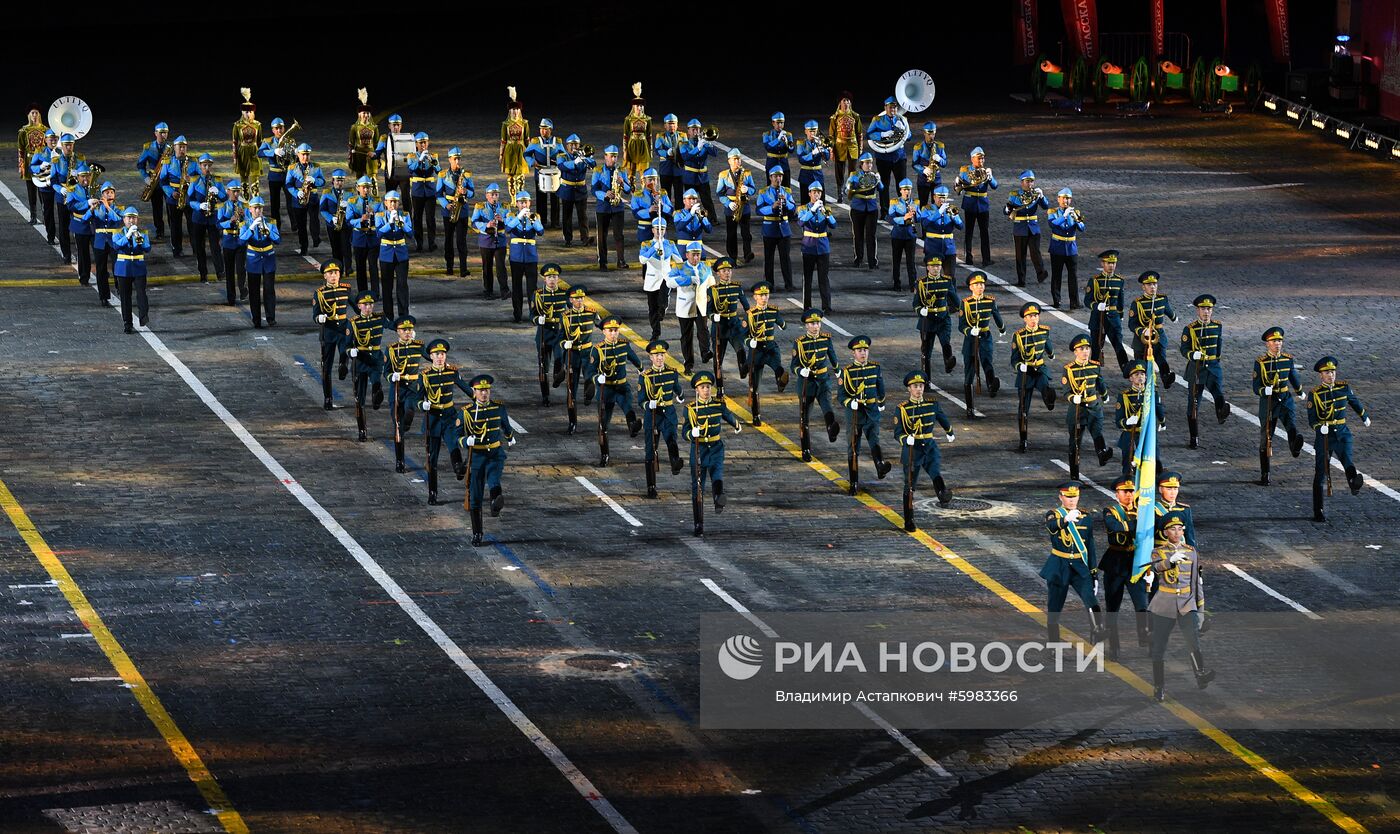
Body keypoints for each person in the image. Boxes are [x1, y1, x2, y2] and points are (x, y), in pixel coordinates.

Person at [1148, 516, 1214, 701]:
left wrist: (1200, 610)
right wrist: (1171, 561)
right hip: (1164, 604)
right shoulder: (1158, 551)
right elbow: (1156, 568)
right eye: (1173, 529)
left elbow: (1196, 583)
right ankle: (1158, 687)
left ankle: (1200, 675)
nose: (1177, 533)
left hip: (1187, 603)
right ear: (1165, 532)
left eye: (1179, 529)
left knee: (1193, 642)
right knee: (1159, 647)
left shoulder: (1191, 552)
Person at [1307, 356, 1369, 522]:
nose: (1331, 375)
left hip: (1342, 433)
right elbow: (1312, 419)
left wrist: (1364, 416)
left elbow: (1354, 402)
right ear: (1321, 375)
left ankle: (1353, 482)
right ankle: (1318, 509)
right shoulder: (1315, 394)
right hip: (1325, 437)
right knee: (1320, 472)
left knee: (1348, 460)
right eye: (1327, 372)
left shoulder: (1343, 388)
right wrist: (1320, 428)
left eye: (1332, 371)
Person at [1041, 481, 1104, 644]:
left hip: (1079, 567)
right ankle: (1053, 645)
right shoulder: (1053, 514)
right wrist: (1066, 520)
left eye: (1074, 496)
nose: (1071, 500)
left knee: (1091, 600)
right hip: (1059, 565)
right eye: (1068, 497)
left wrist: (1094, 573)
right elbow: (1052, 527)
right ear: (1060, 497)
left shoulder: (1086, 517)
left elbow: (1090, 546)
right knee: (1054, 609)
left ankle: (1098, 632)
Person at [458, 374, 517, 547]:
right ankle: (477, 532)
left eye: (487, 390)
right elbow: (457, 435)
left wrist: (510, 437)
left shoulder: (498, 408)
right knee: (475, 495)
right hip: (476, 455)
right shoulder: (466, 412)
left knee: (493, 478)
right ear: (474, 392)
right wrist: (465, 441)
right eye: (481, 391)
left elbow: (505, 424)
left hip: (495, 453)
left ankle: (495, 502)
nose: (484, 394)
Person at [682, 371, 741, 537]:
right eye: (702, 387)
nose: (706, 390)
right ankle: (698, 523)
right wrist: (690, 434)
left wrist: (736, 425)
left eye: (708, 387)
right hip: (699, 449)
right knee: (698, 487)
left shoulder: (718, 405)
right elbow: (684, 431)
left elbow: (727, 415)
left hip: (715, 447)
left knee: (717, 473)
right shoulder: (690, 410)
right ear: (696, 390)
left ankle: (718, 498)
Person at [896, 370, 955, 531]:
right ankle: (909, 519)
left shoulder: (932, 404)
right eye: (915, 386)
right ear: (909, 389)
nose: (919, 389)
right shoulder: (902, 409)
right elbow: (898, 432)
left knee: (935, 470)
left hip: (929, 446)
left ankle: (942, 491)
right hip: (912, 450)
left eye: (921, 386)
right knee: (910, 485)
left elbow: (942, 418)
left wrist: (949, 431)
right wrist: (904, 439)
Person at [1101, 478, 1152, 662]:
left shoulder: (1141, 511)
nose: (1129, 495)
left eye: (1131, 491)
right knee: (1113, 608)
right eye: (1125, 492)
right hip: (1115, 563)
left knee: (1142, 605)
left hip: (1135, 563)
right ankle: (1114, 647)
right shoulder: (1110, 511)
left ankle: (1144, 637)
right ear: (1117, 494)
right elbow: (1115, 527)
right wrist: (1139, 521)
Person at [585, 317, 643, 466]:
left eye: (616, 331)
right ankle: (605, 454)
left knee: (628, 408)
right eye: (610, 331)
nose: (613, 334)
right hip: (607, 390)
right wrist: (598, 379)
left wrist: (641, 370)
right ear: (604, 332)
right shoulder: (597, 349)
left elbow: (635, 359)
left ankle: (633, 428)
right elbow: (589, 372)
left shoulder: (624, 345)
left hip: (622, 388)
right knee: (603, 423)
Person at [417, 338, 469, 506]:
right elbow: (415, 399)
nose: (440, 357)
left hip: (448, 415)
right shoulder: (425, 376)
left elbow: (466, 388)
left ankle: (459, 468)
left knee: (454, 442)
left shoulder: (452, 372)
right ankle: (433, 492)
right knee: (432, 458)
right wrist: (421, 405)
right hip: (432, 418)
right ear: (430, 356)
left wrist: (478, 399)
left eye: (442, 354)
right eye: (436, 354)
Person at [1252, 327, 1306, 485]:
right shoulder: (1261, 363)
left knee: (1292, 425)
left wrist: (1299, 391)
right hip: (1269, 402)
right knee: (1266, 439)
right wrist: (1264, 390)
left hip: (1285, 398)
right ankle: (1265, 474)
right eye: (1274, 341)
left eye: (1280, 341)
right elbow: (1256, 387)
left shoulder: (1287, 359)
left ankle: (1294, 446)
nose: (1278, 344)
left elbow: (1292, 376)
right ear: (1267, 344)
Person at [838, 335, 892, 492]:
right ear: (853, 353)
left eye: (865, 350)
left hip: (872, 411)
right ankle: (853, 482)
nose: (863, 353)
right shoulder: (847, 372)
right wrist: (850, 402)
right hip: (855, 415)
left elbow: (880, 386)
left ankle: (880, 466)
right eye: (860, 350)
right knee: (854, 447)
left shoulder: (875, 368)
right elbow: (841, 396)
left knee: (874, 439)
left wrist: (881, 402)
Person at [790, 308, 842, 461]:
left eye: (817, 323)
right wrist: (800, 371)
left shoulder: (826, 339)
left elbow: (832, 355)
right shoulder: (800, 343)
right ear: (806, 326)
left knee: (827, 406)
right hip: (807, 383)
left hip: (823, 380)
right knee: (804, 417)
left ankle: (831, 429)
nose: (815, 326)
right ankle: (805, 449)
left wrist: (838, 370)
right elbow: (793, 366)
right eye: (812, 323)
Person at [1061, 334, 1115, 479]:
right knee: (1075, 443)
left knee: (1097, 432)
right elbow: (1066, 392)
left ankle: (1102, 453)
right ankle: (1074, 474)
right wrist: (1073, 398)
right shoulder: (1069, 370)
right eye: (1082, 349)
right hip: (1078, 410)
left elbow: (1099, 382)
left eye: (1087, 348)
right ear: (1075, 352)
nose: (1085, 352)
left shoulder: (1094, 366)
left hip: (1093, 407)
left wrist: (1104, 394)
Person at [638, 340, 686, 498]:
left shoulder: (671, 372)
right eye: (656, 355)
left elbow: (677, 388)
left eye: (662, 355)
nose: (659, 358)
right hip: (653, 415)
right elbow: (640, 400)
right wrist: (647, 405)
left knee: (672, 439)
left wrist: (680, 395)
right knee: (651, 451)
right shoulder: (645, 377)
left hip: (668, 414)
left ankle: (675, 463)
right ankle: (651, 486)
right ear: (650, 357)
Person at [1181, 293, 1230, 448]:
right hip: (1196, 369)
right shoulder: (1190, 329)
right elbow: (1184, 349)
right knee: (1194, 405)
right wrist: (1192, 354)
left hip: (1213, 367)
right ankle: (1194, 436)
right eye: (1203, 308)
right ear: (1198, 310)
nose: (1206, 311)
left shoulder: (1217, 326)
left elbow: (1218, 346)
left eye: (1208, 308)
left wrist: (1215, 361)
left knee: (1218, 392)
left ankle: (1221, 412)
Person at [1010, 302, 1057, 453]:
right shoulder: (1018, 336)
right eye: (1030, 316)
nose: (1033, 319)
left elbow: (1047, 344)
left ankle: (1049, 400)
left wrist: (1051, 353)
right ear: (1025, 319)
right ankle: (1023, 439)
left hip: (1040, 369)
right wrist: (1019, 367)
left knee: (1046, 387)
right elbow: (1014, 359)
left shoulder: (1044, 331)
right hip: (1026, 371)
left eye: (1036, 315)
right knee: (1023, 409)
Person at [957, 272, 1005, 419]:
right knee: (969, 369)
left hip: (985, 336)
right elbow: (961, 325)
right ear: (971, 287)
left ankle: (991, 384)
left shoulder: (990, 301)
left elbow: (996, 315)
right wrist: (969, 331)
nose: (980, 287)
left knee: (986, 360)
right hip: (970, 339)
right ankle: (970, 407)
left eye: (982, 284)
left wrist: (1002, 328)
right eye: (977, 285)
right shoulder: (965, 303)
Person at [743, 281, 789, 426]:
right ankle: (756, 415)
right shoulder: (750, 315)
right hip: (756, 350)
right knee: (754, 386)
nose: (764, 298)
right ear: (755, 297)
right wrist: (749, 342)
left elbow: (783, 324)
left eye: (766, 295)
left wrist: (782, 324)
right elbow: (743, 335)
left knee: (779, 367)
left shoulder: (773, 311)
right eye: (761, 295)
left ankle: (780, 381)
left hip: (770, 348)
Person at [556, 284, 601, 434]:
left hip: (587, 353)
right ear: (570, 300)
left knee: (590, 377)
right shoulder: (565, 316)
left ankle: (589, 394)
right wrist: (565, 344)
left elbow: (603, 325)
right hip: (572, 354)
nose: (580, 301)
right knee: (571, 390)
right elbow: (560, 337)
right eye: (576, 299)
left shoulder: (592, 313)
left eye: (581, 298)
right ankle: (572, 421)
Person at [384, 315, 424, 473]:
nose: (407, 332)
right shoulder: (391, 349)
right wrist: (391, 377)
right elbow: (386, 371)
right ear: (397, 332)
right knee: (397, 428)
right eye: (404, 330)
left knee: (409, 409)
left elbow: (431, 356)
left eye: (410, 330)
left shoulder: (418, 346)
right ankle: (399, 460)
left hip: (413, 389)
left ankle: (407, 423)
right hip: (397, 390)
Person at [345, 290, 387, 442]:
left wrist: (406, 331)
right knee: (359, 398)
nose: (368, 307)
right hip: (360, 362)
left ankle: (377, 396)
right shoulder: (353, 322)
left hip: (375, 359)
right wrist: (351, 352)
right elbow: (347, 345)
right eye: (365, 305)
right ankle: (362, 429)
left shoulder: (380, 318)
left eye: (370, 304)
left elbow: (394, 325)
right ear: (359, 306)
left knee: (377, 382)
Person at [667, 242, 714, 375]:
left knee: (703, 329)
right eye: (693, 255)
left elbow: (711, 284)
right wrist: (687, 279)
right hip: (685, 306)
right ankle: (688, 364)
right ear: (687, 255)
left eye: (698, 255)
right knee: (686, 336)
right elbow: (669, 282)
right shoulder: (679, 267)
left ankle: (705, 352)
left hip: (701, 304)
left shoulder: (706, 267)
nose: (696, 258)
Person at [1115, 361, 1166, 480]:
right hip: (1131, 433)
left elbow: (1158, 407)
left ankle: (1154, 480)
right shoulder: (1124, 396)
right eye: (1136, 375)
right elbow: (1118, 420)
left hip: (1147, 432)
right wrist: (1127, 422)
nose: (1140, 377)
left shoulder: (1151, 393)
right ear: (1130, 378)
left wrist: (1162, 421)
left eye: (1142, 374)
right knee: (1128, 459)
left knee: (1153, 458)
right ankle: (1127, 482)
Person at [706, 257, 749, 392]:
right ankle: (720, 388)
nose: (727, 273)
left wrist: (746, 320)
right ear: (718, 273)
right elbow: (708, 311)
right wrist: (714, 316)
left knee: (741, 350)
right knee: (718, 359)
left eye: (729, 270)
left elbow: (747, 308)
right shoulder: (713, 290)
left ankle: (743, 370)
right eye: (724, 271)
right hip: (720, 327)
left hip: (734, 325)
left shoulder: (737, 287)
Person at [312, 260, 350, 410]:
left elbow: (356, 305)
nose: (334, 275)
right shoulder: (319, 293)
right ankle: (328, 397)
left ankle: (343, 366)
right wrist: (319, 318)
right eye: (330, 273)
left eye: (336, 273)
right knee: (326, 368)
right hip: (328, 331)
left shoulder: (346, 289)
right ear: (325, 276)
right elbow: (315, 314)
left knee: (345, 351)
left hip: (342, 330)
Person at [1084, 249, 1131, 372]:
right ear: (1102, 264)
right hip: (1097, 318)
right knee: (1096, 347)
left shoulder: (1119, 280)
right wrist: (1096, 306)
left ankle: (1126, 370)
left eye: (1113, 263)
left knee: (1118, 345)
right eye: (1108, 263)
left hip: (1113, 318)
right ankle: (1094, 372)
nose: (1111, 266)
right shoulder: (1095, 280)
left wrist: (1120, 315)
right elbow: (1087, 301)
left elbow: (1120, 300)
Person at [1128, 270, 1177, 387]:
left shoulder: (1162, 299)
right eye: (1149, 285)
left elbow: (1169, 311)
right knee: (1141, 363)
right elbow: (1132, 324)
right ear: (1143, 287)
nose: (1152, 287)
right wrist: (1143, 331)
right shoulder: (1138, 303)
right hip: (1142, 339)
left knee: (1161, 358)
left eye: (1154, 284)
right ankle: (1143, 383)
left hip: (1158, 336)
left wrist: (1174, 317)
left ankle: (1166, 377)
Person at [913, 259, 960, 379]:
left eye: (938, 266)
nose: (936, 268)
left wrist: (962, 310)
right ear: (927, 267)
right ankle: (926, 379)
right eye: (933, 266)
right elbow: (916, 303)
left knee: (946, 342)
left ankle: (948, 362)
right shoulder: (921, 283)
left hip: (943, 318)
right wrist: (920, 311)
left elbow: (955, 299)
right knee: (926, 353)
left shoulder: (946, 281)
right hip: (927, 320)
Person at [239, 196, 281, 327]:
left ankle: (270, 317)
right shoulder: (245, 224)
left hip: (268, 258)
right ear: (250, 209)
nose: (258, 211)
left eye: (260, 208)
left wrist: (268, 233)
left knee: (269, 290)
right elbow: (241, 241)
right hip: (254, 259)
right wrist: (251, 228)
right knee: (254, 290)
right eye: (255, 208)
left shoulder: (271, 222)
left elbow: (278, 240)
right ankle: (256, 319)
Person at [531, 263, 569, 406]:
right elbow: (532, 314)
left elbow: (572, 310)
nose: (552, 280)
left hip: (559, 333)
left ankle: (557, 377)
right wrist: (537, 320)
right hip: (544, 333)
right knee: (543, 366)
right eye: (549, 277)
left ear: (558, 278)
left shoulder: (565, 293)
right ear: (544, 279)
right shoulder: (538, 295)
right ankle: (545, 396)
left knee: (560, 359)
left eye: (554, 277)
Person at [504, 191, 544, 323]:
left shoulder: (535, 216)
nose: (523, 204)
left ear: (530, 203)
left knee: (532, 288)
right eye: (521, 202)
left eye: (526, 202)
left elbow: (541, 231)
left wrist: (533, 220)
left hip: (531, 257)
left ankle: (533, 314)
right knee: (517, 288)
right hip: (516, 257)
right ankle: (518, 314)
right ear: (517, 204)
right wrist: (519, 218)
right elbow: (508, 229)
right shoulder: (511, 216)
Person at [1004, 170, 1049, 286]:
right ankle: (1021, 279)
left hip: (1033, 227)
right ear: (1022, 182)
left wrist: (1042, 196)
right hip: (1020, 228)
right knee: (1020, 255)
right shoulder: (1014, 195)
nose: (1030, 184)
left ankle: (1041, 273)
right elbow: (1006, 210)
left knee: (1035, 251)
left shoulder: (1036, 194)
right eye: (1027, 181)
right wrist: (1008, 209)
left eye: (1032, 182)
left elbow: (1045, 206)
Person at [797, 183, 837, 313]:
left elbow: (833, 225)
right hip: (808, 246)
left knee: (823, 278)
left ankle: (827, 306)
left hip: (823, 247)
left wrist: (826, 214)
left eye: (819, 193)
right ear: (809, 194)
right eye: (814, 192)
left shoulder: (826, 208)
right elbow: (801, 222)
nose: (817, 195)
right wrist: (812, 210)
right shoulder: (803, 209)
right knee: (807, 278)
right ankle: (807, 306)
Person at [640, 217, 681, 342]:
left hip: (665, 277)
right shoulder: (646, 244)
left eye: (662, 229)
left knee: (662, 302)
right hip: (652, 280)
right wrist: (654, 248)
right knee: (652, 308)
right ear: (652, 230)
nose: (659, 231)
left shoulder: (670, 244)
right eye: (657, 229)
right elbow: (642, 260)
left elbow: (679, 260)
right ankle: (655, 333)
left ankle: (663, 307)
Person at [111, 207, 152, 333]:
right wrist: (128, 235)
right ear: (124, 219)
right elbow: (116, 246)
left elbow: (147, 248)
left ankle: (143, 316)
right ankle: (127, 323)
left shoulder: (143, 233)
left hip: (138, 267)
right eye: (128, 218)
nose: (131, 221)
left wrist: (137, 235)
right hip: (123, 268)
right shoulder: (117, 233)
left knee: (141, 294)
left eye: (134, 218)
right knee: (125, 297)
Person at [187, 154, 226, 284]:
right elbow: (189, 200)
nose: (207, 168)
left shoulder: (217, 180)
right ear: (200, 166)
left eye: (209, 165)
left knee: (215, 246)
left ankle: (220, 272)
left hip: (213, 218)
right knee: (200, 247)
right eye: (204, 165)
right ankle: (203, 273)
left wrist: (218, 192)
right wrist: (199, 206)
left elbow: (225, 199)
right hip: (198, 218)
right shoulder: (194, 180)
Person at [756, 166, 795, 290]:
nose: (778, 179)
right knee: (769, 259)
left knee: (786, 258)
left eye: (780, 176)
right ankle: (769, 284)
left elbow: (793, 208)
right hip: (770, 229)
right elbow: (758, 210)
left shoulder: (787, 192)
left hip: (784, 228)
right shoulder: (763, 192)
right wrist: (771, 207)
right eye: (776, 176)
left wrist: (786, 203)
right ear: (770, 177)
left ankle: (789, 284)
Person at [957, 148, 998, 268]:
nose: (981, 160)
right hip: (970, 203)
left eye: (982, 158)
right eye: (979, 158)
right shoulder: (965, 170)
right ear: (972, 159)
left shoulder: (986, 171)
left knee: (984, 232)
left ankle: (986, 259)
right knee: (969, 232)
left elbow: (995, 186)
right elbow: (960, 185)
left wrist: (990, 177)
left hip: (983, 205)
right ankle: (968, 257)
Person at [865, 97, 908, 211]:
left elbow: (909, 136)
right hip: (883, 158)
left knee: (902, 185)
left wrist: (903, 129)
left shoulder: (902, 119)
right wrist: (883, 134)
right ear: (885, 108)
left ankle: (902, 209)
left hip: (899, 157)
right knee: (884, 186)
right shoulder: (877, 119)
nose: (893, 110)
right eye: (890, 107)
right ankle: (885, 210)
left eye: (894, 107)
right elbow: (869, 134)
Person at [376, 191, 414, 318]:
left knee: (402, 285)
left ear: (398, 203)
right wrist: (390, 223)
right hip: (386, 254)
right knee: (387, 286)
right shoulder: (380, 215)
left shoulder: (405, 215)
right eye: (390, 201)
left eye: (395, 201)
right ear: (385, 203)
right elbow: (378, 234)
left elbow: (410, 234)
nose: (392, 204)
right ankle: (388, 315)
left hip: (401, 253)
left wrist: (401, 223)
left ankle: (403, 314)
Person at [592, 146, 630, 270]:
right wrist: (605, 195)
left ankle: (621, 260)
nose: (613, 159)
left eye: (615, 156)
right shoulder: (598, 171)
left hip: (618, 207)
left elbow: (629, 190)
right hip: (603, 207)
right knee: (602, 236)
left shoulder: (622, 170)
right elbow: (594, 190)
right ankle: (602, 262)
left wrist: (623, 183)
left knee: (619, 235)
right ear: (605, 157)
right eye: (611, 156)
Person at [715, 149, 756, 264]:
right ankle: (732, 257)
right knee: (731, 234)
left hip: (744, 206)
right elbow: (720, 193)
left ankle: (747, 254)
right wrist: (728, 203)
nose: (738, 161)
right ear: (729, 161)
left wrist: (748, 189)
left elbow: (753, 189)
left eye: (739, 159)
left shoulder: (746, 173)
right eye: (735, 159)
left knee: (746, 232)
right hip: (731, 207)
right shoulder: (723, 175)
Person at [1046, 188, 1084, 309]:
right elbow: (1053, 224)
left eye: (1067, 198)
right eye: (1063, 198)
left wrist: (1076, 219)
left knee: (1073, 276)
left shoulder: (1076, 211)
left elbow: (1082, 228)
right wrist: (1065, 215)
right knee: (1056, 275)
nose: (1065, 201)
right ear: (1058, 199)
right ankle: (1056, 300)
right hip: (1057, 248)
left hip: (1071, 249)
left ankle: (1074, 302)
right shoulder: (1052, 211)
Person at [284, 143, 325, 255]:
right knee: (301, 225)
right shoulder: (292, 168)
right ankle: (304, 246)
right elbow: (288, 184)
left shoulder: (316, 166)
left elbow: (323, 181)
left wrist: (315, 181)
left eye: (307, 155)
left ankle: (316, 238)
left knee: (314, 220)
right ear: (298, 154)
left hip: (312, 198)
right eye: (303, 154)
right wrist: (297, 193)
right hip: (299, 200)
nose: (305, 157)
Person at [471, 184, 509, 299]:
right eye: (492, 195)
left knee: (501, 267)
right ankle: (488, 290)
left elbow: (511, 221)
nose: (494, 197)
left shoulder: (504, 207)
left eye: (496, 195)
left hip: (500, 240)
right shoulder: (480, 207)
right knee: (487, 267)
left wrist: (503, 220)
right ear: (487, 196)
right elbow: (473, 222)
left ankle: (504, 290)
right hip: (486, 241)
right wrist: (486, 225)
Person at [557, 135, 594, 246]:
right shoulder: (562, 155)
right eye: (571, 144)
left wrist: (585, 158)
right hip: (567, 190)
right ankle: (568, 239)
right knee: (567, 216)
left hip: (580, 190)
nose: (573, 146)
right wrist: (575, 162)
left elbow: (593, 164)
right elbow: (561, 166)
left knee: (583, 216)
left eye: (576, 144)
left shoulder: (583, 155)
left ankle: (585, 238)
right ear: (566, 146)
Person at [157, 136, 191, 257]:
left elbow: (199, 179)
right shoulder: (168, 161)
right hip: (173, 197)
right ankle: (177, 249)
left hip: (188, 197)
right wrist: (171, 192)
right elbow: (162, 181)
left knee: (192, 224)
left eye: (184, 147)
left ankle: (196, 248)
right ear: (175, 148)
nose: (182, 149)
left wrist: (191, 179)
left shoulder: (192, 162)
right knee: (175, 225)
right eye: (180, 147)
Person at [678, 118, 719, 218]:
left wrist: (708, 143)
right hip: (690, 177)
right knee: (689, 199)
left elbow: (715, 153)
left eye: (697, 129)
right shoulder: (684, 144)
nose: (696, 131)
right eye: (693, 129)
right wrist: (698, 148)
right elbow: (686, 157)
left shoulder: (704, 142)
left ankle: (712, 219)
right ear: (688, 131)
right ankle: (688, 218)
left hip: (703, 177)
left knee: (707, 200)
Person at [917, 186, 963, 276]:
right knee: (932, 276)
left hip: (948, 247)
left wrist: (954, 218)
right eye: (939, 197)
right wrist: (938, 213)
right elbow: (925, 224)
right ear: (934, 197)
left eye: (944, 197)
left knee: (950, 276)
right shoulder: (927, 209)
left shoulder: (951, 209)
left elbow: (961, 226)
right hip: (932, 247)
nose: (942, 200)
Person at [346, 176, 380, 294]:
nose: (366, 190)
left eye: (368, 188)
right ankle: (363, 293)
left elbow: (382, 218)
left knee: (373, 267)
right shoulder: (352, 202)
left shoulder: (377, 201)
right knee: (360, 268)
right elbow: (348, 221)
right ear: (358, 188)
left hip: (373, 238)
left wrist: (374, 214)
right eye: (364, 188)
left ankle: (375, 292)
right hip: (359, 238)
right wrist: (360, 219)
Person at [525, 119, 562, 228]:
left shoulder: (557, 142)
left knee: (555, 199)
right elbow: (526, 154)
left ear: (550, 130)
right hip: (540, 173)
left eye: (545, 129)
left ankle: (555, 222)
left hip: (554, 173)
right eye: (541, 129)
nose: (543, 131)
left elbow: (564, 154)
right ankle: (542, 221)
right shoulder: (535, 142)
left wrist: (560, 162)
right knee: (541, 198)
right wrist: (532, 162)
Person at [845, 153, 880, 269]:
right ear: (861, 164)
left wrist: (879, 181)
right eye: (867, 163)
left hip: (872, 208)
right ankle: (858, 259)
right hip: (857, 208)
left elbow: (882, 189)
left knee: (871, 235)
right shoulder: (854, 175)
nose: (869, 165)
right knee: (858, 235)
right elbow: (847, 191)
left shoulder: (875, 175)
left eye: (870, 163)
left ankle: (872, 261)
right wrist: (854, 185)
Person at [134, 121, 169, 239]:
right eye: (161, 133)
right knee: (157, 208)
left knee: (171, 208)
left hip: (168, 182)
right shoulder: (148, 147)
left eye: (166, 133)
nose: (164, 135)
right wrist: (146, 178)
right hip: (155, 182)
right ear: (155, 133)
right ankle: (160, 231)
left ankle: (174, 230)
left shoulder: (171, 149)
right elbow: (140, 164)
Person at [90, 181, 122, 307]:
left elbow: (118, 220)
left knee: (117, 266)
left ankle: (119, 287)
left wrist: (108, 208)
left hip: (114, 239)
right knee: (101, 269)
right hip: (100, 240)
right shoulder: (97, 208)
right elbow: (85, 218)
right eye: (107, 193)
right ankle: (103, 296)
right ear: (102, 195)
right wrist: (92, 209)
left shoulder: (118, 209)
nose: (109, 194)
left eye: (111, 192)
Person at [216, 179, 249, 303]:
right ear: (228, 191)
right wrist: (229, 221)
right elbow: (218, 225)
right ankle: (231, 297)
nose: (236, 194)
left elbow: (250, 223)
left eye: (238, 191)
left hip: (240, 240)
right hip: (228, 241)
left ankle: (242, 289)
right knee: (229, 271)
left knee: (241, 268)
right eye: (233, 191)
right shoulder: (223, 206)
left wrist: (244, 217)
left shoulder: (244, 206)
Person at [65, 163, 96, 286]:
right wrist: (87, 203)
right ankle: (84, 277)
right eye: (83, 176)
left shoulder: (95, 187)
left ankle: (102, 274)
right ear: (77, 177)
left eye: (88, 176)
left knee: (100, 251)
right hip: (80, 225)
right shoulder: (72, 189)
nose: (85, 179)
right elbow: (71, 206)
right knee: (83, 253)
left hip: (94, 225)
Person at [408, 132, 439, 251]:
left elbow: (439, 170)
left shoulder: (433, 156)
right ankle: (419, 243)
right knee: (417, 218)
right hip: (417, 191)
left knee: (431, 218)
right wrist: (420, 159)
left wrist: (432, 161)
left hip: (430, 191)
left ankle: (432, 243)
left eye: (425, 142)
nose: (423, 145)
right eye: (421, 143)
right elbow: (411, 169)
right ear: (416, 144)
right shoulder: (412, 157)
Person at [17, 104, 47, 224]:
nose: (34, 115)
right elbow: (21, 149)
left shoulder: (46, 130)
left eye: (36, 113)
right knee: (31, 191)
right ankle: (33, 215)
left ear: (39, 115)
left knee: (43, 191)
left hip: (42, 162)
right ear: (29, 115)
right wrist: (21, 165)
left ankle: (45, 215)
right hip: (29, 162)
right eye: (32, 113)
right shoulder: (23, 131)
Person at [318, 168, 353, 270]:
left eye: (341, 180)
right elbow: (322, 209)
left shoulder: (349, 193)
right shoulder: (327, 193)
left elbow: (353, 210)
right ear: (333, 181)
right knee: (335, 247)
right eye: (337, 180)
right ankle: (339, 267)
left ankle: (348, 267)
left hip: (345, 224)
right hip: (332, 224)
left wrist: (348, 208)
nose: (339, 183)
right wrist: (331, 218)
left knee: (346, 247)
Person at [887, 178, 918, 291]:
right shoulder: (894, 202)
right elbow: (890, 219)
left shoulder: (915, 203)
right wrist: (903, 218)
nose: (907, 192)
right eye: (905, 190)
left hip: (910, 235)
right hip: (898, 235)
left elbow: (920, 219)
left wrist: (915, 214)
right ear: (900, 190)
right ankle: (896, 283)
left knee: (911, 261)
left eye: (909, 189)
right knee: (896, 260)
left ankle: (913, 284)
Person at [257, 118, 290, 224]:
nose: (279, 130)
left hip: (287, 175)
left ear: (284, 128)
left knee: (291, 200)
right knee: (275, 203)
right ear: (273, 130)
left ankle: (295, 223)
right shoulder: (267, 141)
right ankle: (276, 224)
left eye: (281, 128)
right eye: (277, 128)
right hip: (274, 175)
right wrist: (273, 151)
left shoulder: (289, 140)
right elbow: (259, 153)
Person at [630, 168, 673, 249]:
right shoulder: (637, 195)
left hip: (660, 229)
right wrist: (648, 211)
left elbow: (670, 209)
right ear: (644, 181)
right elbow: (635, 212)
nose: (652, 182)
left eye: (654, 179)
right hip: (645, 230)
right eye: (650, 180)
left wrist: (662, 205)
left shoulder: (662, 194)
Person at [828, 93, 862, 193]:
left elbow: (859, 133)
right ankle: (840, 190)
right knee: (839, 170)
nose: (846, 103)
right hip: (839, 146)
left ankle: (851, 188)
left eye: (848, 101)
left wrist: (860, 148)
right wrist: (831, 149)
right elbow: (831, 135)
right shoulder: (835, 117)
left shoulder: (855, 116)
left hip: (853, 147)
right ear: (840, 103)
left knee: (853, 171)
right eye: (844, 101)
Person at [499, 89, 529, 204]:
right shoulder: (505, 124)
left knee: (520, 177)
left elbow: (527, 139)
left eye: (517, 109)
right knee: (511, 177)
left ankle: (520, 197)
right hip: (509, 151)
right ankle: (513, 199)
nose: (515, 112)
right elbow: (503, 141)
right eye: (513, 109)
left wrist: (530, 153)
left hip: (521, 151)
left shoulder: (524, 123)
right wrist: (501, 154)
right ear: (510, 111)